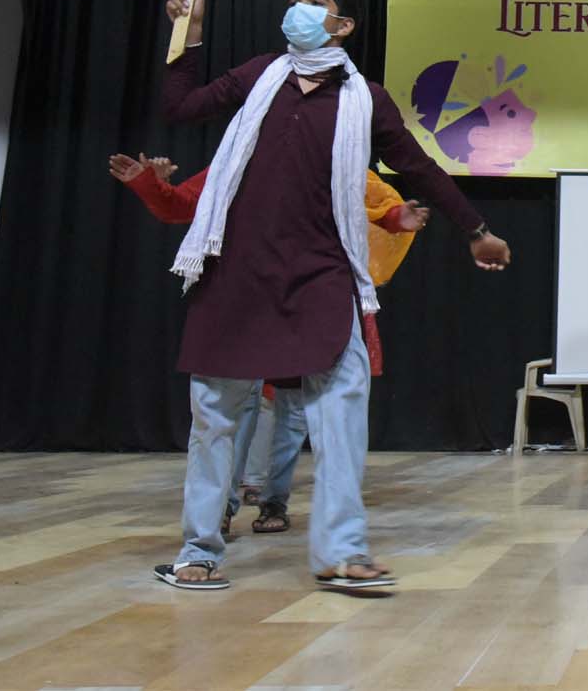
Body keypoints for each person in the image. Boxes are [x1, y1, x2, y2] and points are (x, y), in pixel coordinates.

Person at [154, 0, 510, 593]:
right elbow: (180, 107)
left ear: (342, 25)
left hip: (321, 272)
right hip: (236, 268)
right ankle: (198, 550)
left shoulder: (365, 99)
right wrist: (191, 31)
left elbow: (418, 167)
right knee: (214, 416)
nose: (298, 9)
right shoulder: (260, 74)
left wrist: (474, 227)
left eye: (314, 1)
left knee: (342, 410)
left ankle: (343, 552)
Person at [108, 152, 427, 533]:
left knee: (293, 410)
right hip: (249, 297)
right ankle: (221, 510)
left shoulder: (332, 153)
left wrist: (396, 218)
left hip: (308, 298)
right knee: (237, 408)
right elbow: (182, 205)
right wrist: (150, 185)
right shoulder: (240, 154)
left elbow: (370, 203)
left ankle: (276, 501)